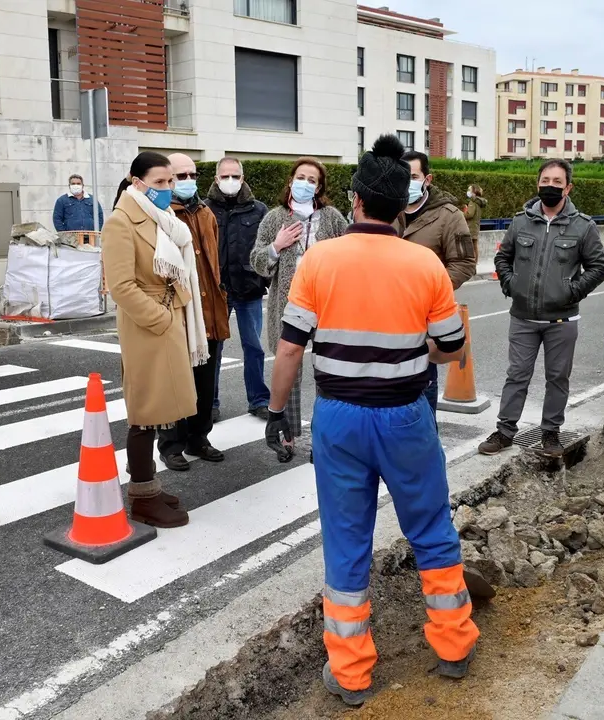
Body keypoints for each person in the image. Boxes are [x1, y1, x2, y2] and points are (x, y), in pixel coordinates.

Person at [264, 135, 479, 708]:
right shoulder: (426, 264)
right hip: (407, 417)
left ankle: (353, 673)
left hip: (338, 418)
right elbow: (450, 348)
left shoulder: (319, 260)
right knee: (431, 529)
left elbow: (289, 351)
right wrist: (408, 353)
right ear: (401, 203)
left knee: (347, 541)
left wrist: (277, 413)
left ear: (355, 201)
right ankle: (454, 647)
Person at [101, 151, 209, 528]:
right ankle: (142, 496)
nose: (168, 189)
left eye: (170, 182)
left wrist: (175, 310)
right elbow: (120, 286)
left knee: (164, 408)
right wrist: (161, 318)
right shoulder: (120, 222)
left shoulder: (161, 218)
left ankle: (148, 485)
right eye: (159, 182)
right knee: (145, 413)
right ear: (137, 182)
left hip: (167, 320)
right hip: (147, 326)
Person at [479, 159, 604, 458]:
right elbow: (503, 258)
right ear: (537, 184)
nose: (550, 186)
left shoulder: (583, 226)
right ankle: (505, 432)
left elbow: (599, 267)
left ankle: (551, 434)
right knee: (517, 375)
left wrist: (571, 291)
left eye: (556, 182)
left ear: (568, 187)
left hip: (562, 320)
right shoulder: (521, 221)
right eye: (545, 180)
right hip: (523, 317)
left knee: (557, 378)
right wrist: (512, 285)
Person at [250, 157, 349, 442]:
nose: (304, 184)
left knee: (327, 370)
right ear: (290, 181)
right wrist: (276, 246)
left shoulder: (332, 217)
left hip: (328, 305)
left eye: (312, 180)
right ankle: (288, 433)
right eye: (300, 177)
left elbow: (348, 254)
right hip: (288, 305)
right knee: (289, 369)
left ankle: (325, 435)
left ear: (319, 188)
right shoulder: (274, 217)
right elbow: (257, 262)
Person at [155, 153, 229, 471]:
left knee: (204, 380)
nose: (188, 181)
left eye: (193, 175)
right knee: (174, 383)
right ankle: (171, 444)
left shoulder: (206, 214)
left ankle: (199, 437)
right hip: (179, 313)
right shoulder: (162, 216)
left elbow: (214, 266)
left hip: (208, 311)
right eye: (180, 176)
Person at [396, 151, 477, 416]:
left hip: (424, 319)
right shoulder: (387, 211)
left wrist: (430, 291)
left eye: (414, 177)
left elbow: (465, 263)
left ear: (427, 179)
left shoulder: (449, 216)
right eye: (402, 176)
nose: (407, 182)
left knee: (421, 392)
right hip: (386, 317)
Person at [206, 157, 271, 423]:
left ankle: (259, 400)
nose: (230, 181)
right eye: (225, 176)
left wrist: (263, 280)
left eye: (235, 176)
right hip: (218, 290)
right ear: (216, 179)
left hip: (249, 288)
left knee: (254, 347)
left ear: (242, 179)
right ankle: (210, 403)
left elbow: (267, 248)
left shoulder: (258, 210)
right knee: (213, 349)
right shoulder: (205, 209)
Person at [463, 184, 487, 261]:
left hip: (470, 226)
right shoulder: (479, 202)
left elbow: (470, 214)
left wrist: (462, 213)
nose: (468, 192)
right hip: (475, 226)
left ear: (474, 192)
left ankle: (471, 262)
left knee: (470, 246)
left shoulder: (472, 202)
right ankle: (475, 262)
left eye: (469, 190)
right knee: (474, 245)